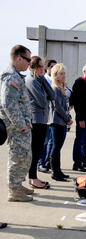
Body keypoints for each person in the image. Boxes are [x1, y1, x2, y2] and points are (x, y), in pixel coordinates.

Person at [0, 44, 34, 202]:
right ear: (19, 58)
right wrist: (22, 125)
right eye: (28, 59)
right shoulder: (11, 77)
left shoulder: (16, 76)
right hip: (16, 128)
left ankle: (18, 185)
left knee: (24, 157)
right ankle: (14, 191)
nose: (29, 63)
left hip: (21, 127)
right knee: (17, 157)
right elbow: (8, 104)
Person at [26, 56, 55, 189]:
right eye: (40, 66)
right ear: (33, 67)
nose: (42, 69)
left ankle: (33, 177)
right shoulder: (31, 81)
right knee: (35, 151)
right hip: (35, 121)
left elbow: (52, 95)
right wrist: (46, 95)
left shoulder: (39, 80)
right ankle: (32, 178)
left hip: (42, 120)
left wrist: (43, 78)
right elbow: (43, 102)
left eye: (43, 66)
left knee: (37, 151)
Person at [48, 63, 73, 181]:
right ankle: (54, 172)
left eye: (64, 73)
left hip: (61, 122)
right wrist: (67, 119)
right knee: (56, 147)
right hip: (57, 122)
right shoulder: (55, 88)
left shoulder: (61, 87)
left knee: (57, 147)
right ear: (55, 75)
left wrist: (67, 117)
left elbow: (65, 106)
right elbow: (58, 107)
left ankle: (58, 170)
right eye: (61, 73)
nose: (64, 75)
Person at [38, 59, 57, 173]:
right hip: (44, 116)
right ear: (47, 68)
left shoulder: (55, 80)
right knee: (44, 141)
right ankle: (40, 163)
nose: (54, 69)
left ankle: (46, 162)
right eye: (52, 67)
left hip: (53, 116)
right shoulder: (44, 80)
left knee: (51, 141)